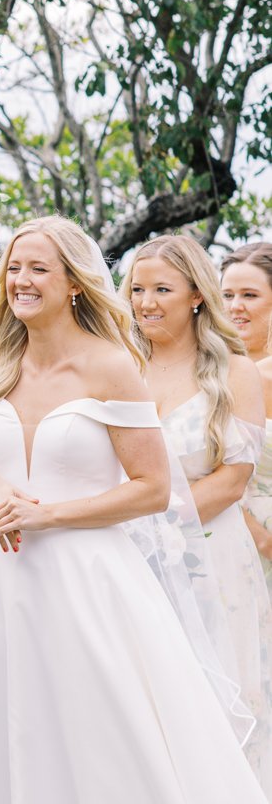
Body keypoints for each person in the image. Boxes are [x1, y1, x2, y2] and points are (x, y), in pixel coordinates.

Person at [0, 216, 264, 803]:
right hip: (0, 578)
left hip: (90, 581)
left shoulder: (111, 367)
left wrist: (47, 516)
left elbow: (151, 488)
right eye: (14, 268)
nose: (22, 280)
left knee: (99, 736)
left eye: (39, 268)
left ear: (76, 284)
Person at [125, 234, 272, 787]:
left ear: (195, 295)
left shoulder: (234, 371)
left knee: (227, 705)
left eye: (162, 288)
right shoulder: (121, 367)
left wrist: (152, 527)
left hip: (212, 560)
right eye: (138, 289)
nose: (147, 302)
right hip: (127, 561)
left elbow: (233, 482)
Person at [222, 242, 272, 567]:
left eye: (249, 295)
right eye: (227, 295)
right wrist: (262, 540)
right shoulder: (210, 377)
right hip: (235, 545)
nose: (235, 306)